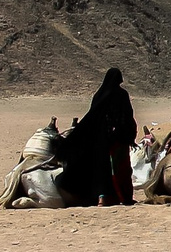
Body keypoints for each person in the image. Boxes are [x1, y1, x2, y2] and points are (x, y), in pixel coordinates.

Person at [60, 68, 139, 205]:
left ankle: (102, 197)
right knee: (121, 168)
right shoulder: (121, 95)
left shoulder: (100, 95)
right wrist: (127, 134)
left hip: (100, 140)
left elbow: (93, 118)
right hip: (118, 140)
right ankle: (124, 197)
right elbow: (127, 116)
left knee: (101, 169)